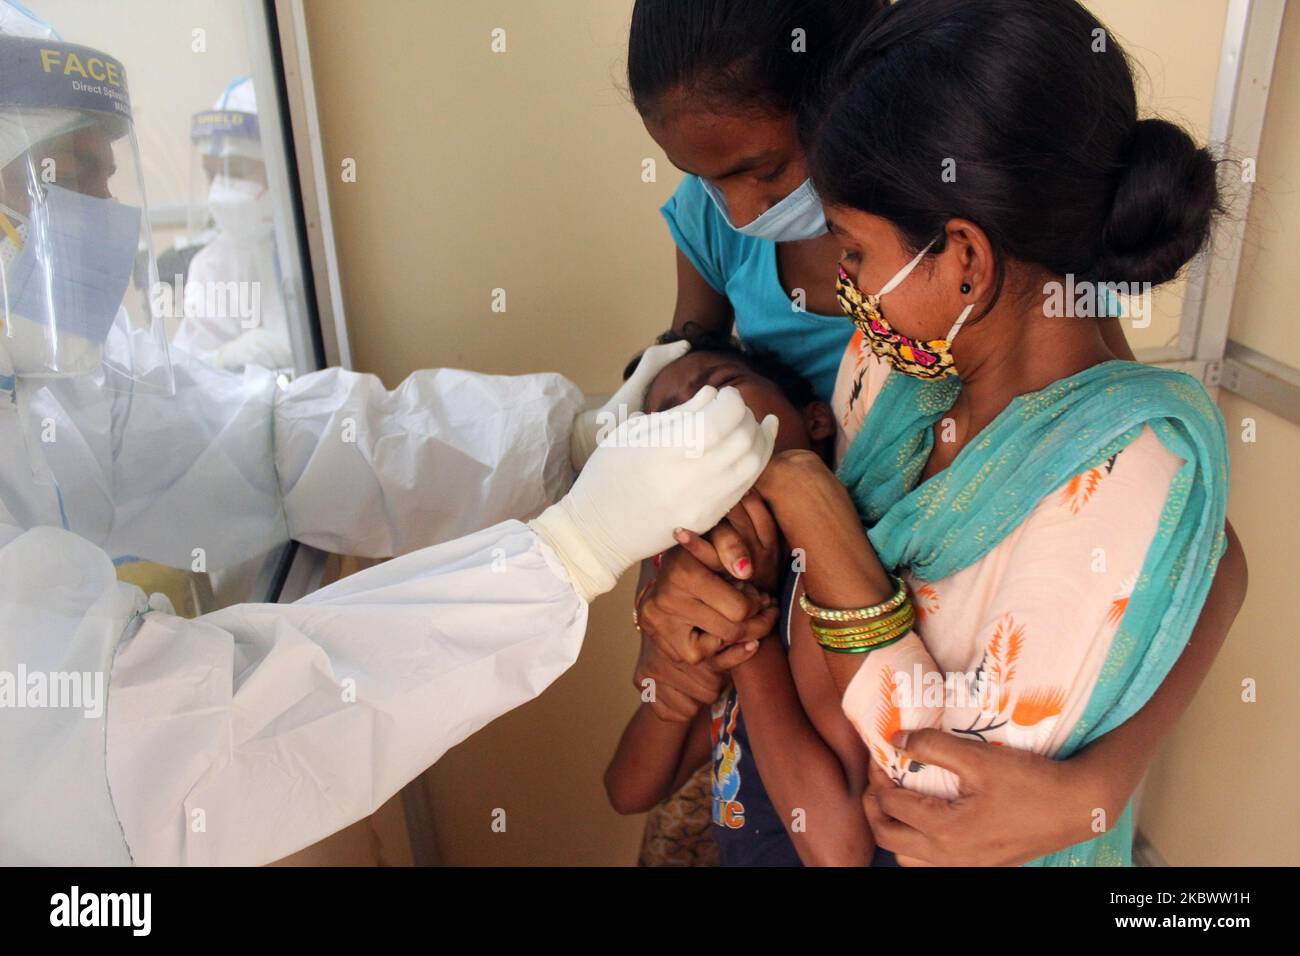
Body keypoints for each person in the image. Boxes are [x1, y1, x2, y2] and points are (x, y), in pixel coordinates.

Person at [0, 6, 777, 865]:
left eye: (110, 180)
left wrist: (573, 439)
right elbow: (143, 756)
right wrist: (571, 551)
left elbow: (275, 443)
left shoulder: (51, 385)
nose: (108, 222)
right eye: (71, 181)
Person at [627, 0, 1249, 865]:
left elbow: (925, 801)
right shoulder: (900, 369)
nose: (840, 284)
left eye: (851, 249)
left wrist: (807, 500)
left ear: (963, 259)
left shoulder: (1112, 465)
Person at [606, 330, 877, 867]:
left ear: (816, 419)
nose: (697, 419)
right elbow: (627, 791)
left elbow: (838, 849)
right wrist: (675, 688)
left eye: (724, 387)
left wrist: (749, 626)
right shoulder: (698, 590)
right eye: (667, 421)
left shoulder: (822, 578)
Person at [171, 76, 292, 370]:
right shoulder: (211, 265)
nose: (219, 191)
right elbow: (191, 378)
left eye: (234, 170)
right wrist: (226, 360)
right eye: (212, 174)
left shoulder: (320, 247)